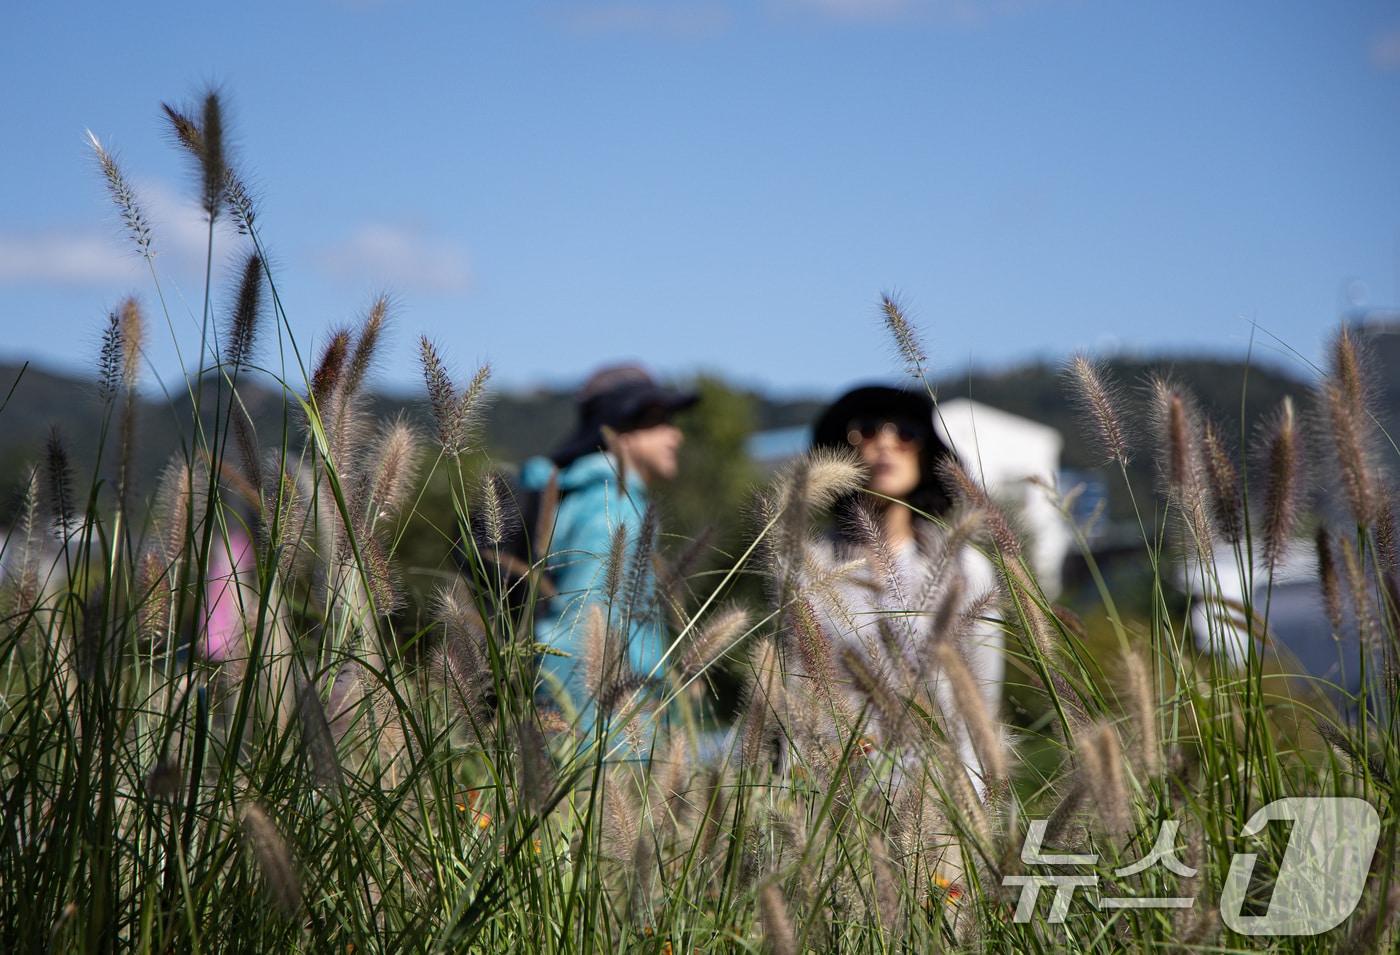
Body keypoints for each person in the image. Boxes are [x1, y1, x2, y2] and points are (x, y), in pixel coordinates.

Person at [805, 384, 1004, 795]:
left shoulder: (964, 569)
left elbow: (982, 701)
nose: (886, 443)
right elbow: (798, 697)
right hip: (843, 804)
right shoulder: (809, 570)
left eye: (906, 432)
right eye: (865, 430)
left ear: (927, 452)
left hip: (945, 797)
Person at [519, 364, 698, 747]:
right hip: (608, 735)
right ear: (622, 432)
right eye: (659, 421)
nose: (675, 435)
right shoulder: (613, 512)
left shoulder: (587, 498)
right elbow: (582, 635)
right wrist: (599, 750)